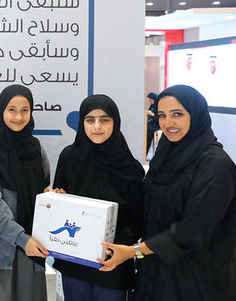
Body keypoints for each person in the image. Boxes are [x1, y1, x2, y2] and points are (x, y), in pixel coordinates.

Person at [98, 85, 236, 301]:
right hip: (156, 272)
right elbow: (147, 204)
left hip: (196, 277)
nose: (167, 123)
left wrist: (134, 251)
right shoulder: (166, 153)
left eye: (177, 114)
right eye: (162, 115)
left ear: (196, 115)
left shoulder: (215, 164)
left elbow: (194, 229)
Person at [52, 95, 144, 300]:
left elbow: (138, 221)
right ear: (82, 123)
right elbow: (60, 202)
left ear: (115, 122)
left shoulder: (130, 167)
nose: (97, 126)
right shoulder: (69, 157)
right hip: (75, 259)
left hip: (113, 261)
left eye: (104, 120)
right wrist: (56, 198)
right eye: (90, 120)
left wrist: (117, 249)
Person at [0, 84, 50, 301]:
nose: (18, 117)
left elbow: (43, 194)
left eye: (25, 110)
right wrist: (22, 239)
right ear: (1, 110)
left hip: (30, 250)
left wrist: (53, 198)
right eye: (12, 110)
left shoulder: (36, 149)